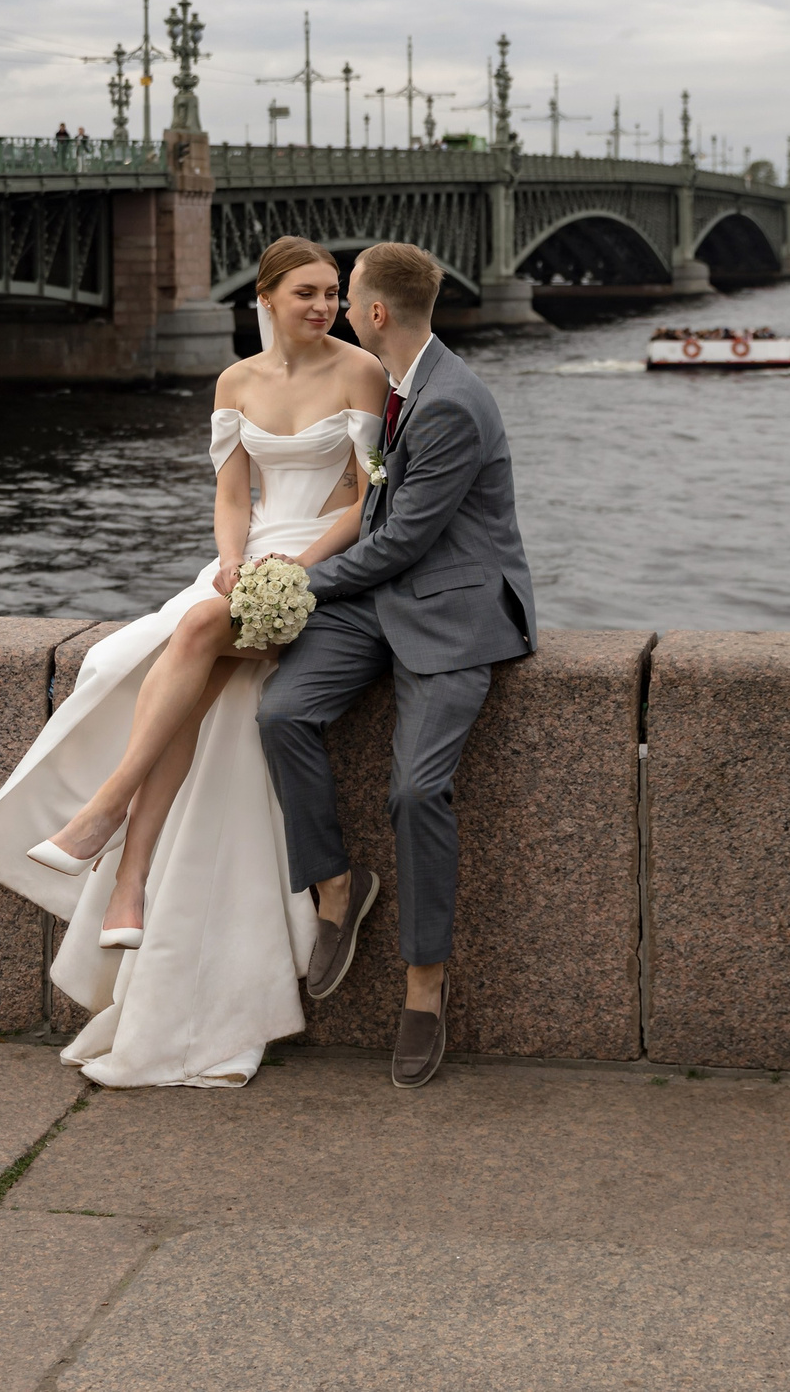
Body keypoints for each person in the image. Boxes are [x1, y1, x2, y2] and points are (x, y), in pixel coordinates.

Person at [0, 237, 387, 1088]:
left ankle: (106, 827)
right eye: (306, 293)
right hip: (247, 562)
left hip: (322, 567)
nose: (323, 306)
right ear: (266, 297)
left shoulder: (361, 373)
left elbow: (367, 503)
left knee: (186, 639)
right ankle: (130, 879)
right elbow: (229, 494)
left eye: (332, 292)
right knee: (133, 659)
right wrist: (230, 559)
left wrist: (291, 571)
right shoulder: (235, 383)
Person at [258, 241, 535, 1087]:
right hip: (381, 599)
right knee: (281, 713)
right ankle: (338, 883)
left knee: (416, 788)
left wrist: (294, 583)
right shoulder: (398, 383)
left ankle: (424, 987)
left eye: (350, 301)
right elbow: (376, 512)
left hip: (450, 609)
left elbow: (408, 538)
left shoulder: (450, 401)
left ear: (377, 312)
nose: (340, 311)